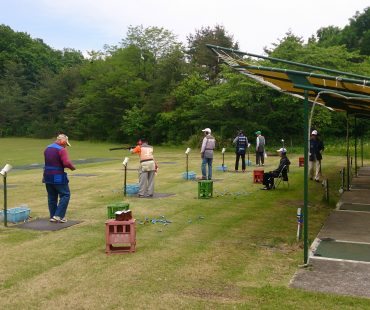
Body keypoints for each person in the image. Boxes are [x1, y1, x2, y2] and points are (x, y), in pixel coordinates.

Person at [43, 134, 76, 223]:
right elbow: (66, 163)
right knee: (65, 194)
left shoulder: (47, 148)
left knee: (52, 197)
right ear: (63, 142)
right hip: (58, 175)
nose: (66, 146)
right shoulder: (62, 150)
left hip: (47, 175)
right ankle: (58, 216)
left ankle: (53, 216)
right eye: (66, 144)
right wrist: (72, 167)